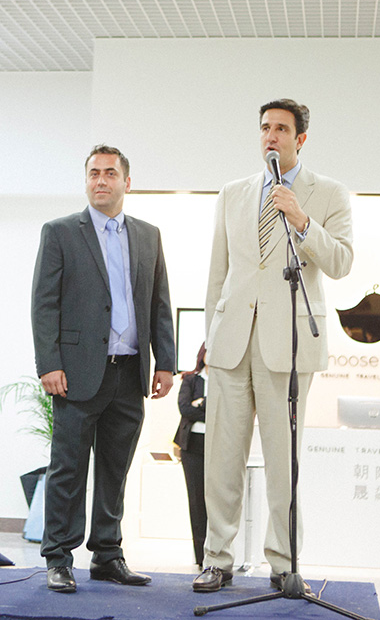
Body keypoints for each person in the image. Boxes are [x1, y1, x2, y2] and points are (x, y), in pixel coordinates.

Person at [193, 99, 353, 593]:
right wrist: (212, 335)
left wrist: (302, 221)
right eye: (265, 127)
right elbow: (218, 274)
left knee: (283, 462)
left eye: (281, 128)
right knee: (221, 459)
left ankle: (283, 562)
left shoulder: (328, 193)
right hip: (231, 344)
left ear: (300, 139)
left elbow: (341, 262)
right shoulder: (232, 193)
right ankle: (216, 558)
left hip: (287, 346)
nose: (271, 136)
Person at [31, 145, 175, 593]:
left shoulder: (148, 235)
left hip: (129, 372)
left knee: (115, 470)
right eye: (94, 173)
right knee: (68, 470)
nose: (100, 180)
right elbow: (44, 303)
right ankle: (59, 557)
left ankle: (108, 555)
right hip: (76, 374)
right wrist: (49, 364)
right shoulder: (60, 233)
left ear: (126, 182)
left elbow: (159, 302)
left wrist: (166, 363)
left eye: (110, 173)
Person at [173, 343, 208, 567]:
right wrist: (208, 409)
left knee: (218, 500)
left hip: (218, 444)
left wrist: (201, 404)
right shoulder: (191, 380)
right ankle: (200, 556)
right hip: (192, 445)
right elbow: (185, 409)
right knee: (196, 499)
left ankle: (218, 554)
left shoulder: (226, 381)